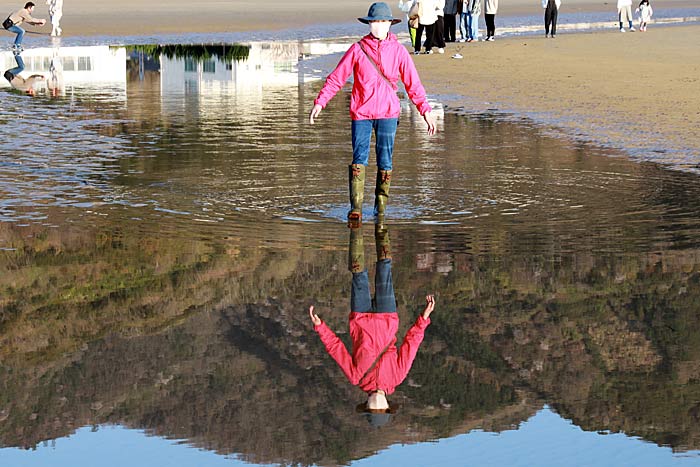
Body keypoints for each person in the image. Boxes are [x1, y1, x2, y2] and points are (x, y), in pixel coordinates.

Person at [308, 2, 436, 225]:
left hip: (388, 114)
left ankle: (380, 211)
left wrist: (425, 111)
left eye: (382, 22)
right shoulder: (357, 50)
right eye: (374, 22)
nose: (378, 26)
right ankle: (356, 208)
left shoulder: (398, 51)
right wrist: (320, 102)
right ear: (369, 24)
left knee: (385, 160)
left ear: (389, 24)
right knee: (359, 159)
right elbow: (337, 78)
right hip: (361, 113)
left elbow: (413, 84)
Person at [309, 225, 436, 427]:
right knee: (384, 267)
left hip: (359, 316)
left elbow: (336, 348)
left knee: (358, 273)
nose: (376, 404)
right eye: (381, 409)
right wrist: (424, 317)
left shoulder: (356, 378)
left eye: (372, 409)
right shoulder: (398, 377)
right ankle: (381, 224)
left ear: (366, 404)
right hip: (387, 316)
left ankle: (356, 228)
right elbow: (412, 343)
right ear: (388, 405)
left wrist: (320, 327)